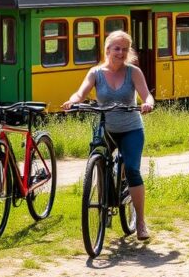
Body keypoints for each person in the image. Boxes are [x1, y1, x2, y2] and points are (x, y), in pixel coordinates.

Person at [63, 30, 156, 240]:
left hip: (131, 128)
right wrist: (73, 101)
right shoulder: (95, 73)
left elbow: (146, 94)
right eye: (117, 48)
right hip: (106, 127)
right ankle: (105, 197)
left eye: (124, 49)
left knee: (132, 170)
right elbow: (81, 92)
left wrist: (148, 103)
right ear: (107, 50)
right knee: (97, 159)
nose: (121, 53)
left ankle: (140, 222)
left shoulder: (134, 72)